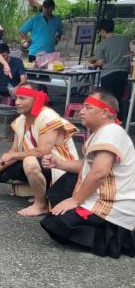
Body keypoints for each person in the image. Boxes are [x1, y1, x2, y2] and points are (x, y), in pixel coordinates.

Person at [41, 90, 135, 258]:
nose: (81, 111)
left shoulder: (111, 131)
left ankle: (115, 237)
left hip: (112, 206)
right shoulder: (102, 132)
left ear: (105, 112)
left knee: (55, 223)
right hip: (100, 195)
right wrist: (59, 163)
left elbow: (99, 172)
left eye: (88, 107)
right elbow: (85, 167)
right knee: (62, 187)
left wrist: (75, 200)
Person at [0, 84, 79, 216]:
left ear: (36, 99)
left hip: (61, 169)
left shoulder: (48, 116)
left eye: (22, 98)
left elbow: (42, 152)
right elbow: (14, 151)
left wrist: (14, 155)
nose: (17, 102)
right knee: (1, 172)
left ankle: (41, 205)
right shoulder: (20, 121)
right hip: (43, 165)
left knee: (29, 161)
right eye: (16, 98)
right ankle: (38, 190)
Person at [89, 19, 131, 121]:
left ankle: (107, 121)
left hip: (109, 75)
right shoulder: (124, 39)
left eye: (99, 32)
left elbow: (99, 61)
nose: (100, 34)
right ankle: (119, 121)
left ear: (102, 30)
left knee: (107, 100)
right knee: (118, 98)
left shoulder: (103, 44)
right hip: (123, 74)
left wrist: (93, 65)